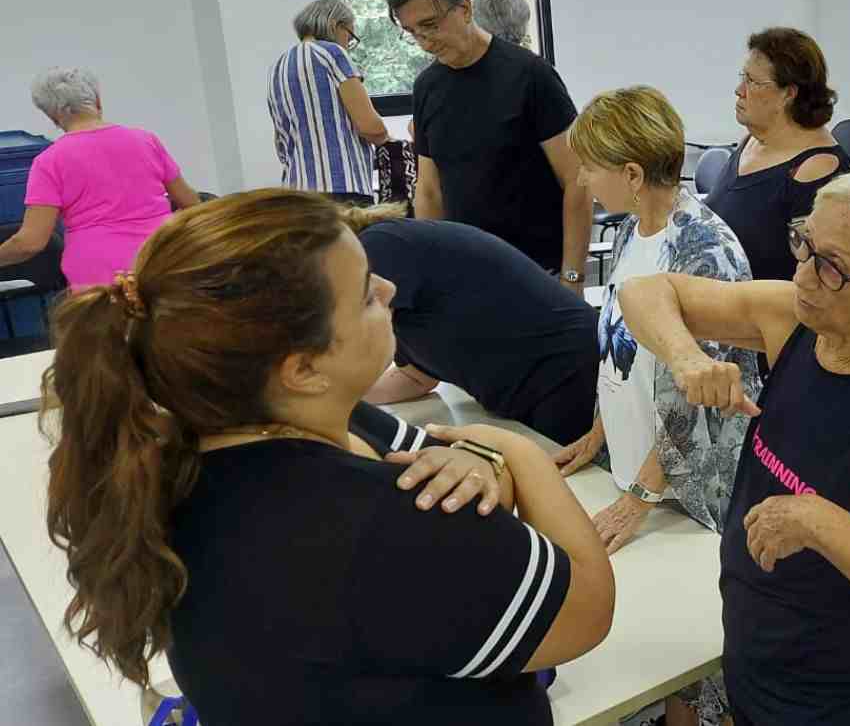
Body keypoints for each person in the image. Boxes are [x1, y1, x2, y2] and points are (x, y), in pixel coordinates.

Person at [43, 189, 615, 725]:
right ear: (303, 369)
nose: (390, 290)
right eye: (366, 293)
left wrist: (482, 462)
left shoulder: (210, 444)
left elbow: (456, 471)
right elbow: (586, 609)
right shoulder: (376, 526)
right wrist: (517, 452)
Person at [618, 166, 850, 724]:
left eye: (833, 267)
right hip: (756, 650)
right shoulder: (796, 320)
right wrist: (687, 356)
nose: (805, 276)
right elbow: (644, 292)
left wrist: (819, 523)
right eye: (804, 244)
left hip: (837, 692)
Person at [552, 86, 757, 726]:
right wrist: (597, 430)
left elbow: (697, 400)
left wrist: (640, 496)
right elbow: (620, 344)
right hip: (638, 469)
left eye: (591, 167)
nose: (583, 180)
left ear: (633, 175)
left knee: (691, 650)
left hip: (687, 492)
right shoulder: (629, 232)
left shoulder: (705, 250)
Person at [388, 0, 590, 289]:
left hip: (538, 274)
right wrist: (431, 273)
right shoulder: (427, 87)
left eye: (431, 25)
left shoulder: (530, 75)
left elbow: (577, 180)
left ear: (464, 7)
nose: (425, 41)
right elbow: (428, 190)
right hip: (464, 276)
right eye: (412, 32)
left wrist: (573, 277)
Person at [352, 208, 600, 446]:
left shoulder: (375, 245)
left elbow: (366, 346)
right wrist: (349, 396)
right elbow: (416, 379)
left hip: (563, 368)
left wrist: (326, 398)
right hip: (527, 386)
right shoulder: (402, 291)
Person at [7, 67, 202, 289]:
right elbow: (191, 204)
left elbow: (30, 242)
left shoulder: (49, 161)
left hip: (99, 274)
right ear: (97, 100)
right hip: (161, 259)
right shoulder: (146, 140)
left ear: (52, 115)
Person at [706, 27, 850, 284]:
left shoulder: (817, 169)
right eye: (743, 77)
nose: (740, 90)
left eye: (752, 82)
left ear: (788, 93)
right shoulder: (749, 142)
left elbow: (817, 279)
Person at [267, 0, 390, 205]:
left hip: (296, 194)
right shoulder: (332, 53)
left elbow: (280, 144)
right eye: (349, 36)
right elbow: (370, 127)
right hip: (343, 188)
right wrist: (389, 140)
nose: (347, 45)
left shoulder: (278, 66)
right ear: (335, 25)